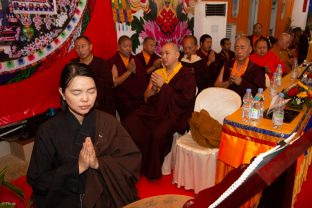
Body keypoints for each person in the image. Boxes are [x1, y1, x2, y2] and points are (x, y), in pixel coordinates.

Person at [27, 63, 141, 208]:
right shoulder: (48, 131)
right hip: (68, 200)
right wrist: (78, 167)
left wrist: (99, 164)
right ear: (62, 93)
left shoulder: (108, 122)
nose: (85, 99)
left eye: (91, 91)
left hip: (108, 197)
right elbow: (38, 179)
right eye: (76, 93)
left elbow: (131, 160)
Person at [122, 43, 196, 180]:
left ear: (177, 55)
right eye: (162, 53)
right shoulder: (158, 73)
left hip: (173, 113)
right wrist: (155, 89)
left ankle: (151, 170)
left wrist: (164, 86)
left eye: (167, 53)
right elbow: (146, 97)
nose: (163, 56)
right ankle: (134, 163)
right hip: (154, 110)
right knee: (129, 122)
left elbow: (184, 101)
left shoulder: (186, 75)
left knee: (157, 134)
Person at [72, 35, 115, 116]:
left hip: (101, 106)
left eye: (83, 46)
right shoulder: (73, 65)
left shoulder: (101, 64)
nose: (80, 50)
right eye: (77, 47)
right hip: (80, 105)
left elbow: (108, 86)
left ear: (90, 47)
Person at [108, 35, 148, 120]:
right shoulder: (113, 61)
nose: (128, 49)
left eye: (130, 46)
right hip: (124, 99)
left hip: (139, 97)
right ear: (118, 47)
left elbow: (144, 76)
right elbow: (114, 83)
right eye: (125, 46)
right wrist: (129, 71)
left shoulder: (136, 59)